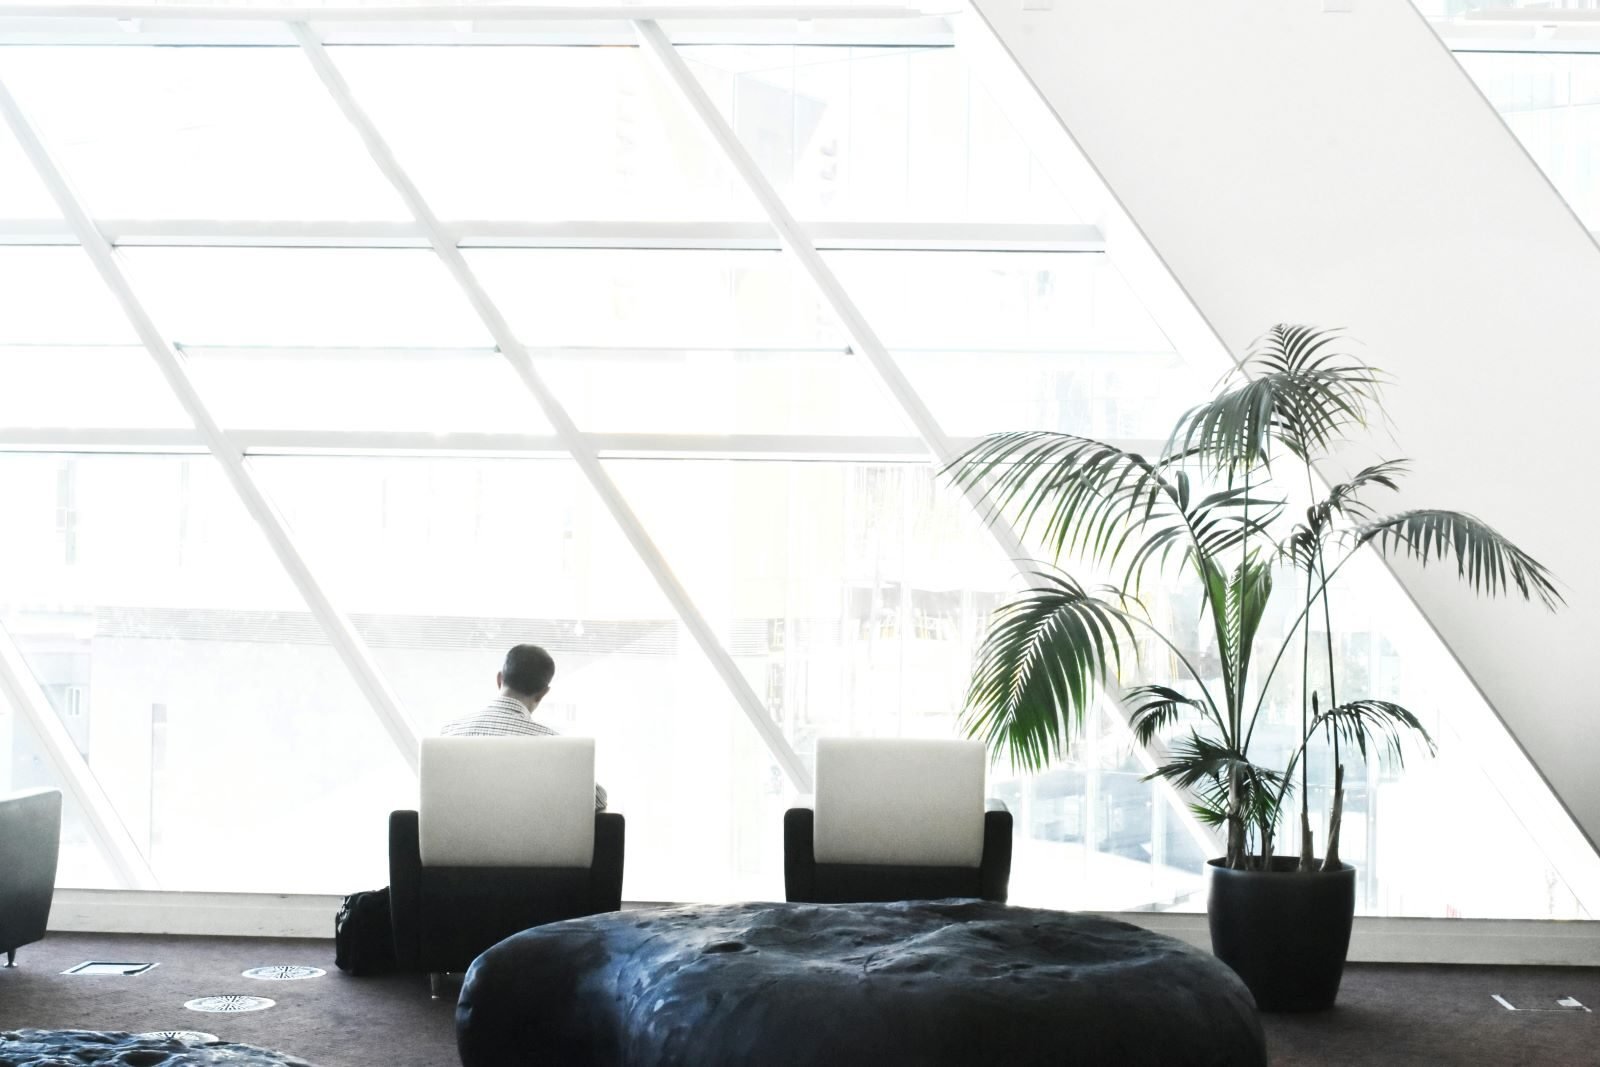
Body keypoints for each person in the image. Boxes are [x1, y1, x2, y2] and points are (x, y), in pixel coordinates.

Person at [440, 644, 607, 810]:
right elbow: (598, 800)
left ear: (499, 679)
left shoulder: (450, 733)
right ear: (543, 693)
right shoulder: (556, 746)